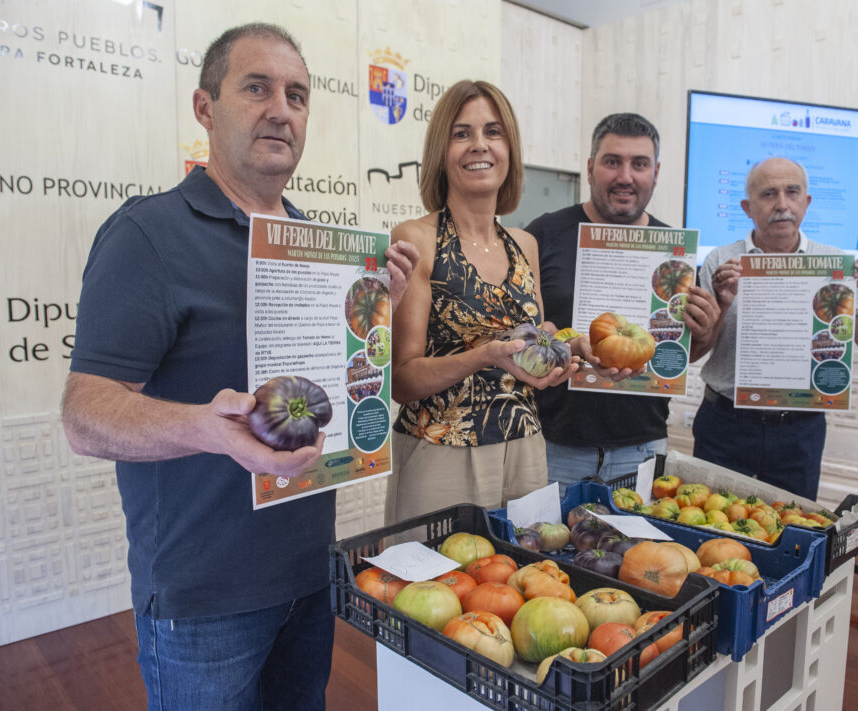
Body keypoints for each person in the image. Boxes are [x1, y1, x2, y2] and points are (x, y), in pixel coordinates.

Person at [61, 24, 418, 711]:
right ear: (205, 107)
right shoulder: (148, 234)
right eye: (257, 88)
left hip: (309, 575)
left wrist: (372, 325)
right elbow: (84, 415)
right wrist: (205, 427)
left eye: (297, 95)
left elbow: (325, 397)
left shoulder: (315, 246)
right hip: (203, 599)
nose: (281, 109)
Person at [386, 80, 579, 525]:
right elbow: (402, 380)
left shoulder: (525, 244)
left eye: (493, 132)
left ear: (510, 149)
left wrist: (571, 348)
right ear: (441, 152)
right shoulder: (416, 238)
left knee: (526, 568)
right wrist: (483, 356)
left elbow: (531, 351)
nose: (479, 144)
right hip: (441, 451)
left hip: (525, 447)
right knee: (436, 570)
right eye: (462, 133)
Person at [526, 113, 720, 491]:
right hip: (551, 444)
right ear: (590, 168)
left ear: (656, 173)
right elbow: (520, 335)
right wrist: (567, 346)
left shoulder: (674, 254)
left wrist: (707, 331)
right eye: (612, 161)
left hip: (641, 446)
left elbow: (679, 356)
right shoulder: (544, 234)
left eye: (640, 164)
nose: (625, 176)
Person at [691, 156, 858, 500]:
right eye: (769, 194)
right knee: (710, 522)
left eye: (792, 192)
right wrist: (723, 303)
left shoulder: (834, 265)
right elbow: (696, 350)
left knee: (792, 526)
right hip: (725, 423)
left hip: (799, 430)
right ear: (747, 207)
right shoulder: (720, 261)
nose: (782, 204)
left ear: (806, 202)